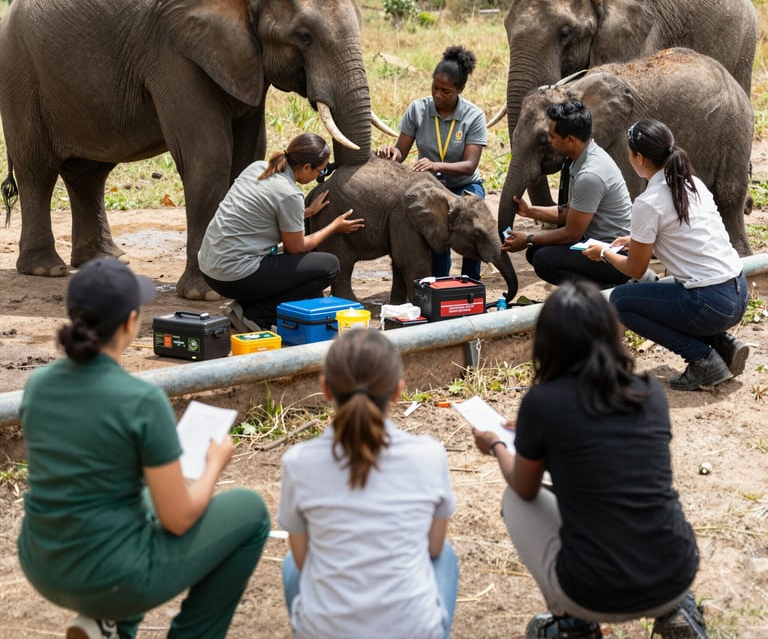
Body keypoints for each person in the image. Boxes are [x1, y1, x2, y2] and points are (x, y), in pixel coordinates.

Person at [18, 257, 270, 639]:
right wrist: (214, 466)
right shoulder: (141, 400)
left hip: (42, 564)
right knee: (251, 512)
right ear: (131, 322)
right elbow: (178, 519)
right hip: (113, 578)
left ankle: (107, 627)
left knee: (146, 499)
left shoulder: (38, 385)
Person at [472, 280, 708, 639]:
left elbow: (524, 485)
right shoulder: (650, 392)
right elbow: (606, 454)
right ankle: (679, 608)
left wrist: (495, 446)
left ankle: (574, 624)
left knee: (515, 501)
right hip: (675, 575)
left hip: (593, 592)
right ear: (610, 331)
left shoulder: (543, 402)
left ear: (548, 340)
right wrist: (542, 432)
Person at [278, 329, 459, 639]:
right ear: (398, 391)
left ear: (325, 389)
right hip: (411, 632)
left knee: (290, 567)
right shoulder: (429, 454)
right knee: (447, 556)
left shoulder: (298, 462)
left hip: (325, 632)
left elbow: (303, 560)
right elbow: (433, 546)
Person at [584, 119, 748, 391]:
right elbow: (685, 234)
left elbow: (635, 269)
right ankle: (722, 342)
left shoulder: (648, 202)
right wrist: (635, 241)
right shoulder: (692, 183)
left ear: (639, 158)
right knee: (662, 287)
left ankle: (702, 359)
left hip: (711, 303)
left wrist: (603, 252)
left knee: (621, 301)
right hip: (738, 292)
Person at [198, 133, 364, 331]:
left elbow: (259, 212)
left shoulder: (258, 168)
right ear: (306, 167)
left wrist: (306, 212)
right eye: (321, 171)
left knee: (288, 267)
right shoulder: (290, 194)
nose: (319, 177)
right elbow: (296, 248)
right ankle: (257, 316)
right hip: (235, 275)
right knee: (328, 266)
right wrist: (334, 226)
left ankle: (243, 307)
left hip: (209, 269)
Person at [378, 45, 487, 280]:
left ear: (460, 90)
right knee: (437, 235)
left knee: (474, 228)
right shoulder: (418, 109)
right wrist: (391, 153)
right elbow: (401, 152)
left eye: (446, 91)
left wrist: (436, 165)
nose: (438, 95)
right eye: (434, 88)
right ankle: (440, 285)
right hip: (429, 186)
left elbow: (469, 165)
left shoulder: (474, 116)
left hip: (464, 185)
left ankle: (470, 283)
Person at [502, 99, 633, 288]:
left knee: (543, 260)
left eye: (553, 137)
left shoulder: (590, 174)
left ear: (570, 140)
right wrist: (529, 211)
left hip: (615, 254)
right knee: (535, 251)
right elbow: (570, 212)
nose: (549, 140)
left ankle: (603, 292)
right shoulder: (583, 158)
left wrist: (528, 239)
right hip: (596, 242)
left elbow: (571, 234)